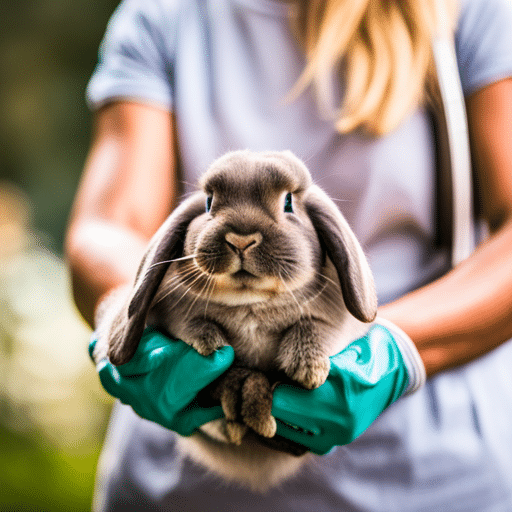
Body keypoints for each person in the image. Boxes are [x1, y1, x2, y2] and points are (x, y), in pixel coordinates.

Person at [65, 0, 512, 509]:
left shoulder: (470, 10)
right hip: (187, 477)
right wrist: (126, 317)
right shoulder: (163, 15)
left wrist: (396, 351)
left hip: (428, 477)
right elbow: (111, 223)